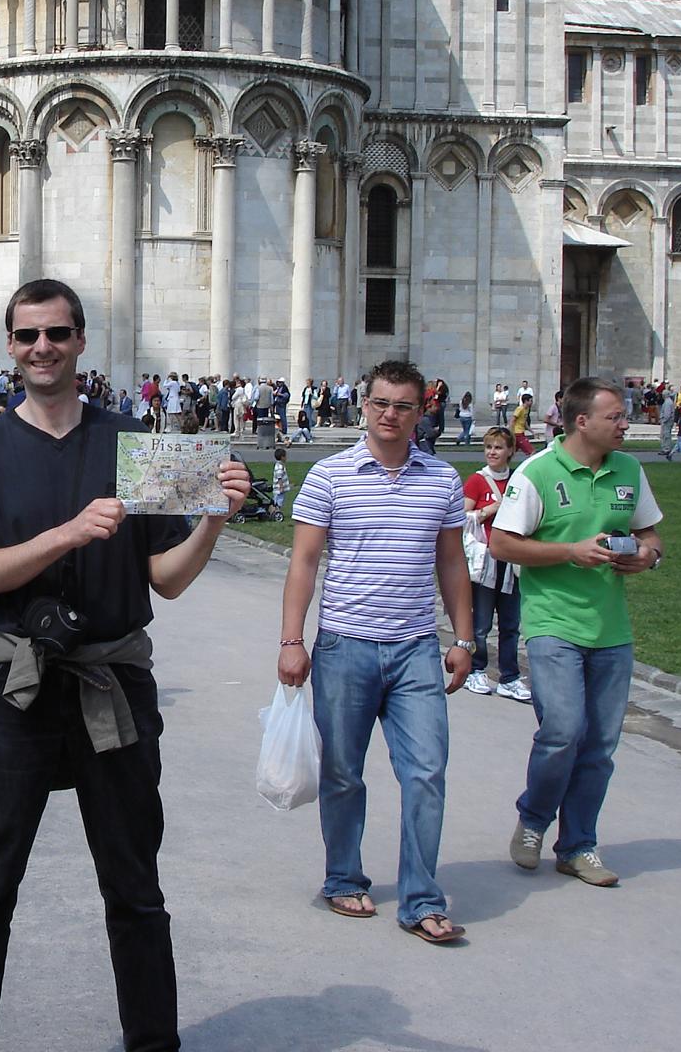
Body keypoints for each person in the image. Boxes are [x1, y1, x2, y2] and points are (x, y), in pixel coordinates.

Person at [0, 278, 248, 1052]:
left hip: (114, 684)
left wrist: (212, 521)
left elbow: (166, 579)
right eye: (27, 335)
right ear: (11, 348)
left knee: (135, 889)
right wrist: (69, 534)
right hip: (15, 685)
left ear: (80, 342)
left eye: (57, 333)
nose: (42, 348)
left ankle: (153, 1043)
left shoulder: (132, 439)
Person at [278, 360, 474, 943]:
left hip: (416, 648)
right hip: (346, 645)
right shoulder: (329, 476)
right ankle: (343, 877)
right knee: (343, 773)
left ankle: (421, 899)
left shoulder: (441, 480)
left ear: (421, 412)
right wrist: (292, 641)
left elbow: (452, 564)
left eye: (403, 406)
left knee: (427, 773)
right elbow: (304, 563)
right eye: (381, 403)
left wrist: (464, 639)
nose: (391, 415)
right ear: (364, 406)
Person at [491, 378, 665, 888]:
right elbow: (502, 543)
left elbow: (650, 533)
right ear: (582, 421)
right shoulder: (538, 472)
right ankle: (533, 819)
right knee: (563, 731)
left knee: (600, 745)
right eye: (616, 417)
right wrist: (571, 551)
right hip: (553, 624)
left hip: (611, 629)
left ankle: (578, 846)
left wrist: (649, 556)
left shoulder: (628, 469)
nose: (626, 424)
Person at [462, 428, 531, 702]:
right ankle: (476, 669)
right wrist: (489, 510)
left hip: (511, 561)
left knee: (510, 624)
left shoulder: (519, 481)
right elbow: (463, 517)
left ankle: (509, 677)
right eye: (489, 447)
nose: (492, 452)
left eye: (498, 447)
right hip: (485, 561)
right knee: (481, 623)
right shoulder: (478, 481)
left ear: (510, 451)